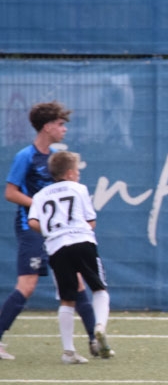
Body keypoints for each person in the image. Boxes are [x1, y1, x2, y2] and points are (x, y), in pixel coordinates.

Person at [0, 101, 100, 361]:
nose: (64, 129)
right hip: (32, 228)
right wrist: (40, 207)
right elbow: (10, 192)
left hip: (59, 233)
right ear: (47, 127)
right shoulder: (26, 156)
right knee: (28, 284)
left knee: (76, 281)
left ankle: (95, 340)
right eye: (59, 124)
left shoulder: (57, 158)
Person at [27, 151, 113, 363]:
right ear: (69, 173)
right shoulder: (78, 188)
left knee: (67, 299)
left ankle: (68, 351)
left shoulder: (40, 195)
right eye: (77, 171)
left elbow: (32, 221)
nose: (78, 174)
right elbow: (91, 221)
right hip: (82, 241)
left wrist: (52, 232)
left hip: (57, 247)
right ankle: (99, 327)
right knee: (99, 289)